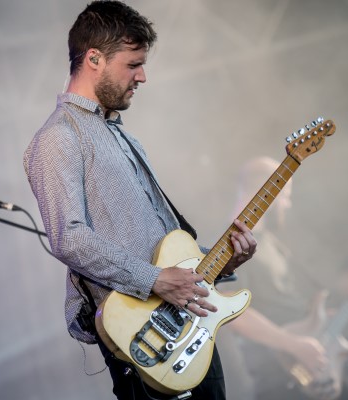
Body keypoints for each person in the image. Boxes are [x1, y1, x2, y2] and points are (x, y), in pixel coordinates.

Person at [23, 2, 257, 399]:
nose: (142, 76)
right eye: (133, 64)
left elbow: (162, 249)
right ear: (94, 59)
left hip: (187, 327)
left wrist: (222, 262)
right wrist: (155, 280)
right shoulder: (58, 138)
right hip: (144, 340)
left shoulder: (122, 135)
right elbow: (69, 238)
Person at [217, 156, 348, 400]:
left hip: (307, 364)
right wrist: (294, 345)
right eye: (286, 195)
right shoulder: (233, 242)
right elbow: (230, 310)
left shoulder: (268, 242)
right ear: (269, 190)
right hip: (279, 373)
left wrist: (340, 310)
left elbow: (286, 309)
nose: (287, 204)